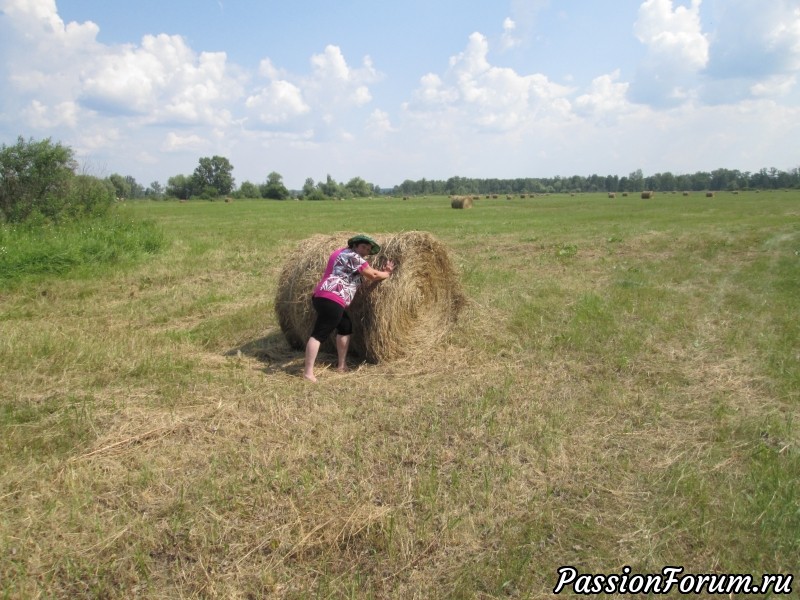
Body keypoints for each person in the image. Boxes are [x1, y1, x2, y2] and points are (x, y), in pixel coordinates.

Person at [303, 234, 395, 382]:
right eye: (363, 247)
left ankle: (341, 365)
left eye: (368, 249)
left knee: (345, 326)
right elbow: (373, 274)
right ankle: (308, 373)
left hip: (322, 295)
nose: (366, 251)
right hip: (332, 297)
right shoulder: (353, 256)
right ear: (355, 245)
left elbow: (359, 279)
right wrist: (387, 273)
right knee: (319, 334)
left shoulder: (340, 253)